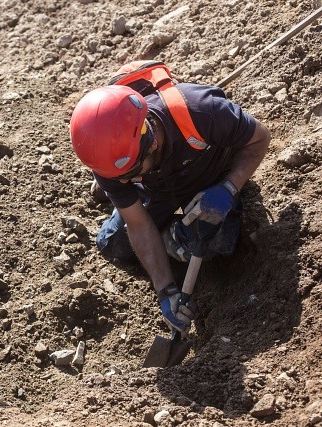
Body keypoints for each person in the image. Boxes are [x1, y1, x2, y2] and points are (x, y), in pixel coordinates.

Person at [70, 82, 270, 335]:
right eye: (117, 177)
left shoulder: (202, 112)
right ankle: (168, 238)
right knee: (114, 244)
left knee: (213, 242)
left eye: (130, 174)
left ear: (151, 142)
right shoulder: (109, 161)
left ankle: (176, 236)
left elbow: (260, 138)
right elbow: (139, 224)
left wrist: (230, 187)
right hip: (159, 192)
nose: (121, 182)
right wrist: (166, 290)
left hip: (211, 180)